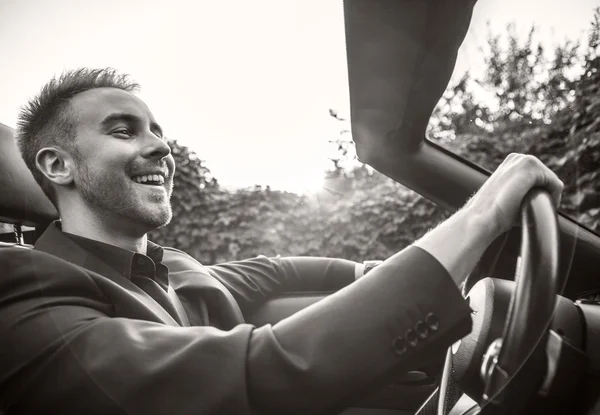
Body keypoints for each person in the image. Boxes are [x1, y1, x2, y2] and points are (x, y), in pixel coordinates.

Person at [0, 68, 563, 415]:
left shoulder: (172, 266)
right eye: (124, 131)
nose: (161, 148)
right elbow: (260, 373)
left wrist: (377, 275)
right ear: (56, 165)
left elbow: (281, 272)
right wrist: (482, 215)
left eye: (159, 131)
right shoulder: (23, 294)